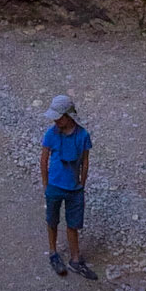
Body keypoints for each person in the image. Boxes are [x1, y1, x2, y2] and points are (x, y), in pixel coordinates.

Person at [41, 95, 96, 279]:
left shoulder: (82, 135)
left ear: (67, 116)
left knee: (73, 224)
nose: (55, 121)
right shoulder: (52, 134)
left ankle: (74, 258)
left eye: (58, 117)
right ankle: (53, 252)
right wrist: (46, 184)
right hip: (55, 186)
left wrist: (82, 183)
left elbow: (85, 162)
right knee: (52, 220)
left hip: (74, 188)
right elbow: (44, 159)